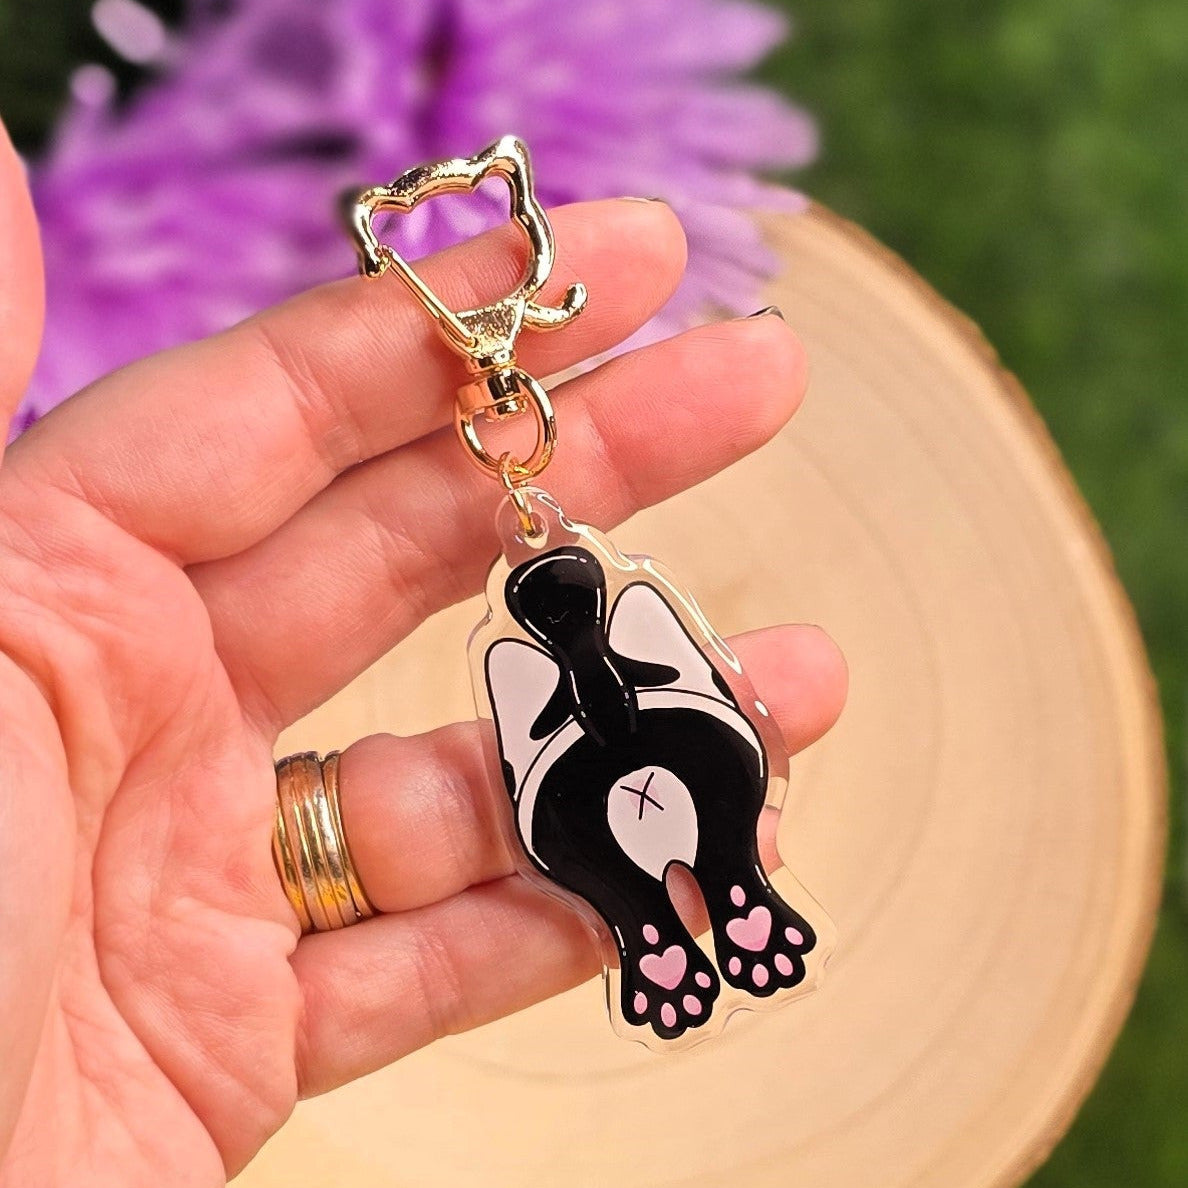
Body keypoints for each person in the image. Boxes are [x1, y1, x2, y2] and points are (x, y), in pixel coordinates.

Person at [0, 120, 846, 1186]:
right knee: (668, 798)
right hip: (627, 761)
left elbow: (555, 737)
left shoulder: (537, 656)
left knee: (618, 823)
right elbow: (594, 721)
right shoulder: (577, 646)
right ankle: (707, 903)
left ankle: (661, 919)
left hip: (600, 775)